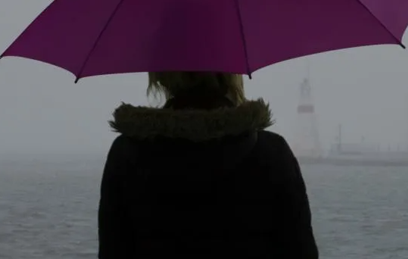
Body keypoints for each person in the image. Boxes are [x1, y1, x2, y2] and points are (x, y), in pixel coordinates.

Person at [97, 71, 319, 259]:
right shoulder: (273, 153)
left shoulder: (125, 154)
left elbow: (113, 250)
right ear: (232, 74)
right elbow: (301, 251)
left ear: (161, 76)